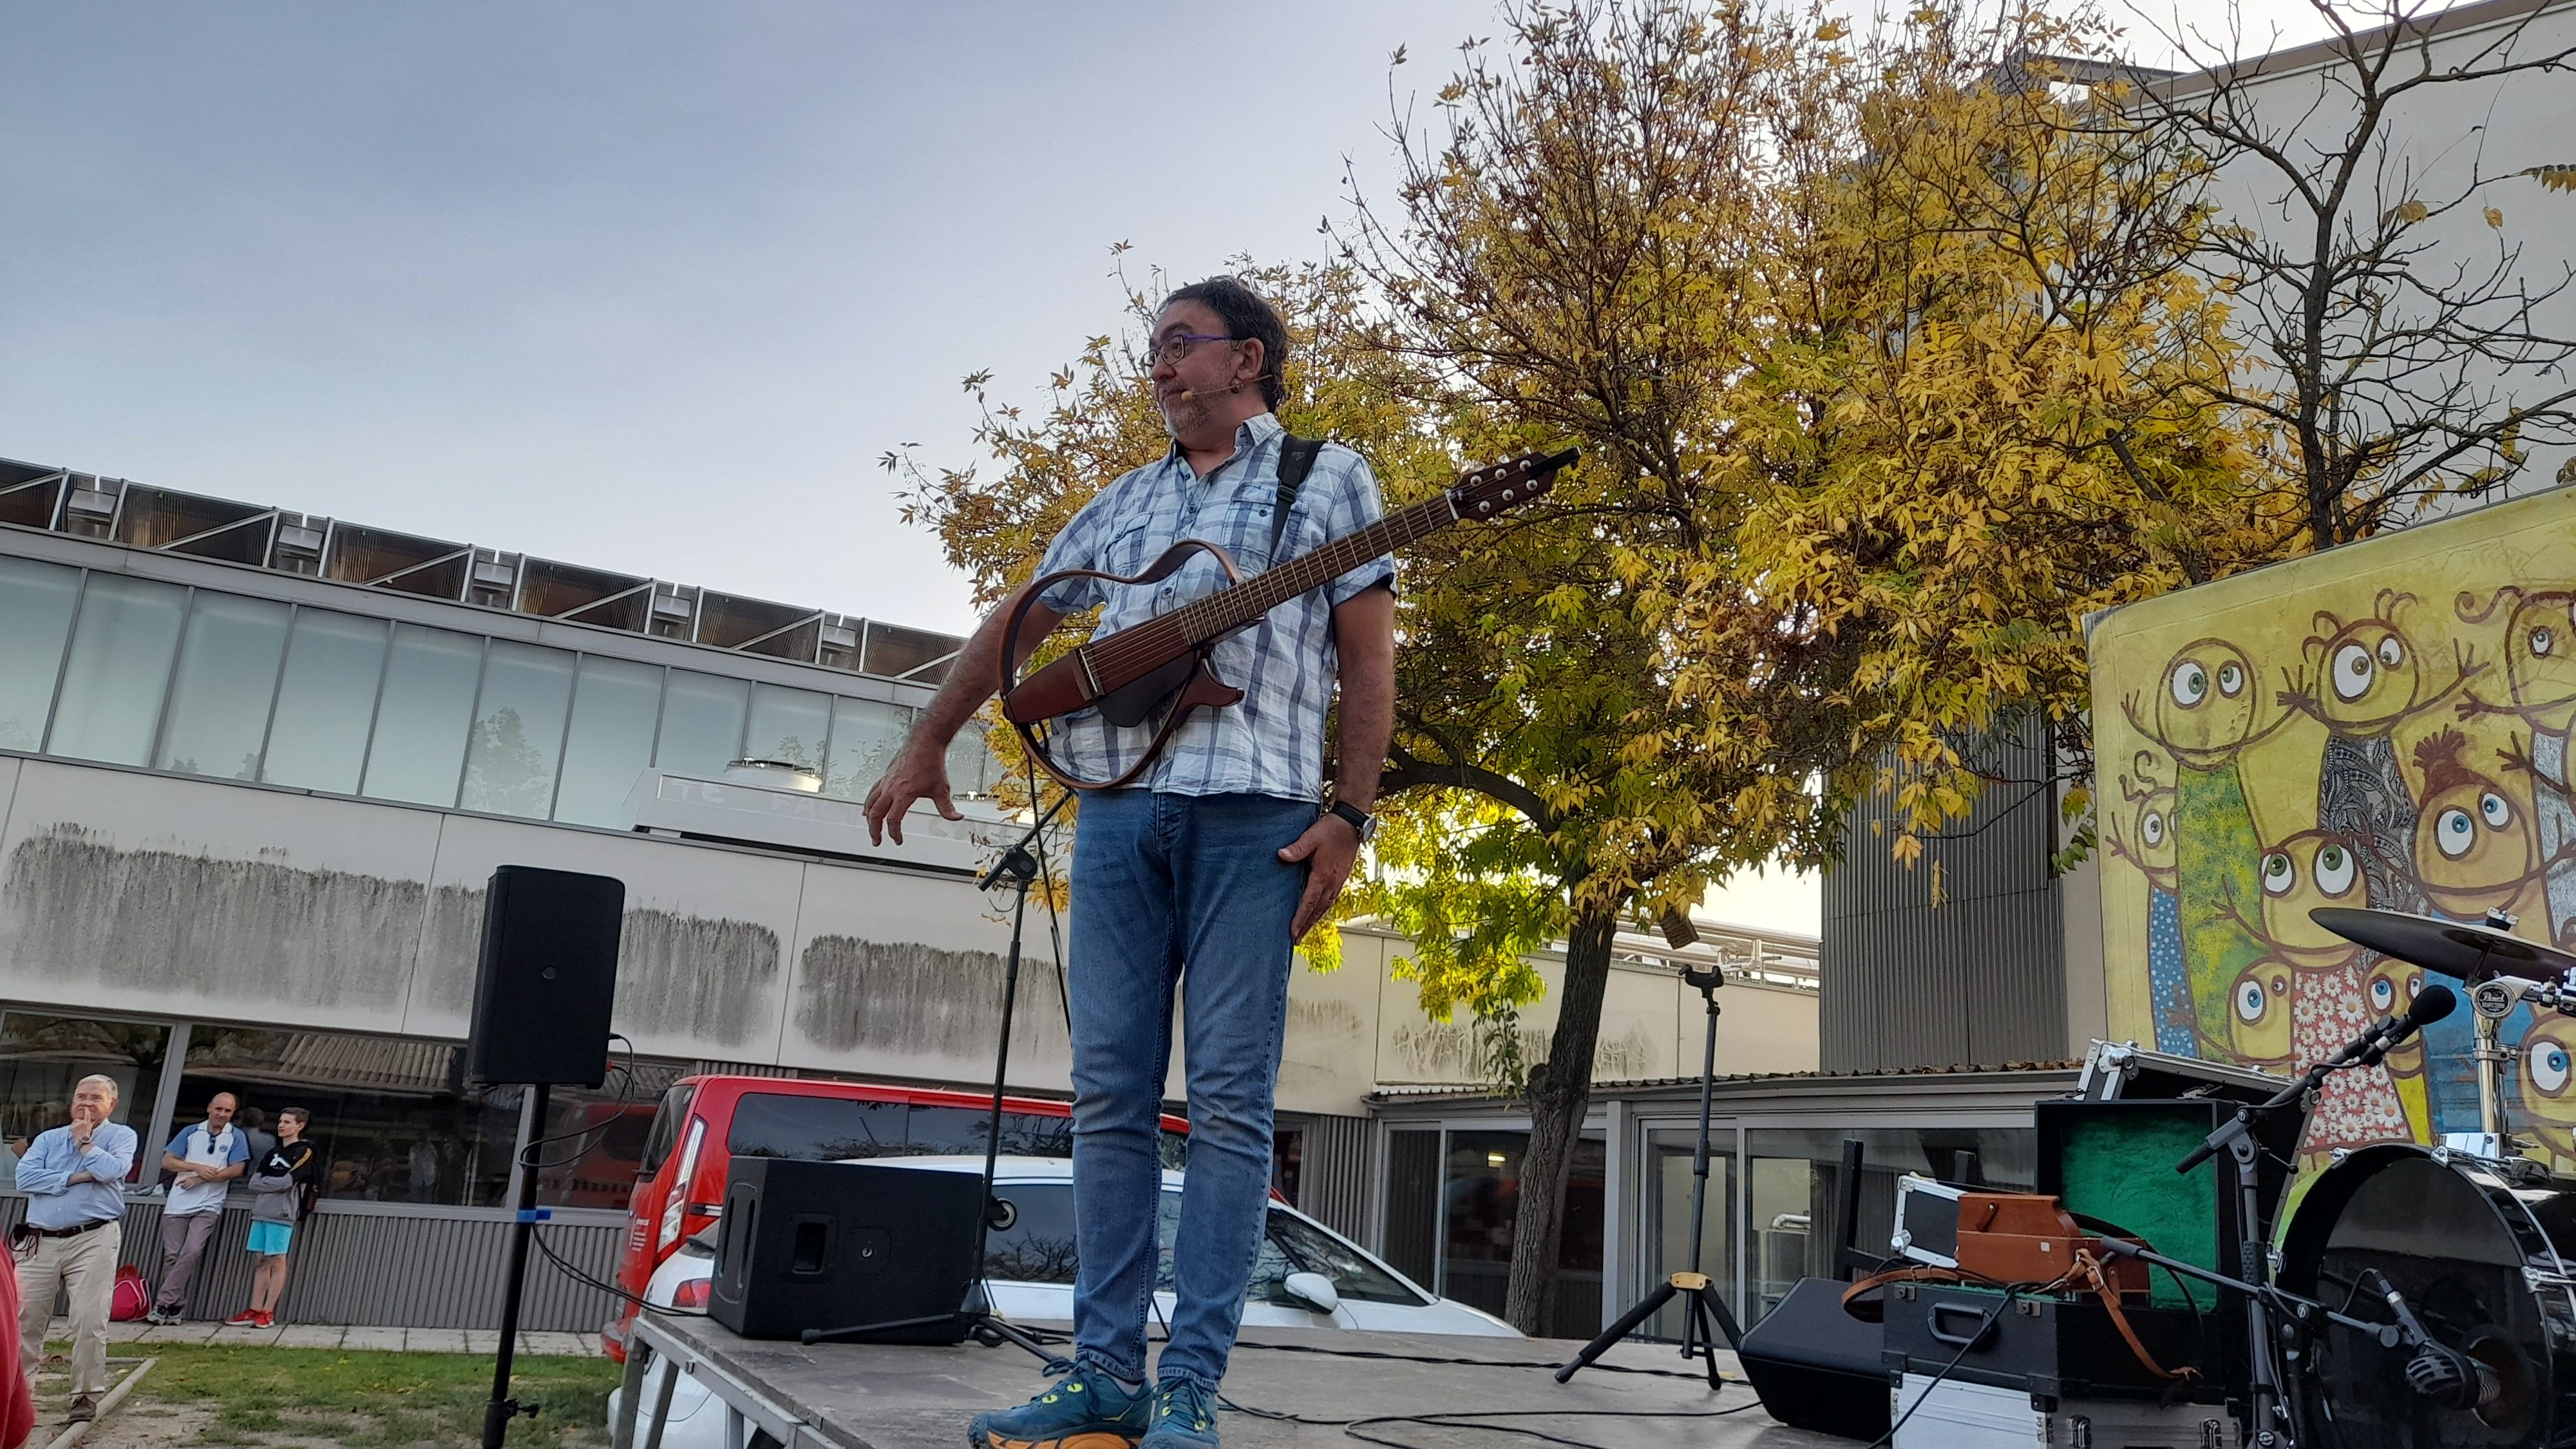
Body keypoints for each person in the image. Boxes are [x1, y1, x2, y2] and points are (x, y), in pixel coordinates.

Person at [867, 276, 1394, 1449]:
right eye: (1153, 350)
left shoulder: (1328, 480)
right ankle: (1102, 1373)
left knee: (1229, 1107)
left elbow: (1368, 667)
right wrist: (928, 736)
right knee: (1107, 1101)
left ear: (1246, 359)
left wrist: (1350, 813)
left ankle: (1191, 1383)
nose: (1157, 366)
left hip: (1254, 819)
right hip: (1118, 818)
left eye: (1178, 345)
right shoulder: (1123, 501)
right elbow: (1023, 622)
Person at [14, 1075, 137, 1426]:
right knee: (25, 1319)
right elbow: (24, 1178)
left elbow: (113, 1170)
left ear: (111, 1104)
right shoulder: (48, 1138)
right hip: (40, 1239)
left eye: (95, 1097)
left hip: (93, 1237)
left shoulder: (122, 1136)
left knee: (89, 1319)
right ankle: (17, 1398)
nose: (85, 1103)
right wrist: (76, 1177)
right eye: (80, 1096)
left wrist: (85, 1142)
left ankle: (85, 1396)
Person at [146, 1092, 247, 1327]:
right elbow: (168, 1161)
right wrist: (195, 1168)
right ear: (209, 1108)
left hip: (209, 1204)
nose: (222, 1114)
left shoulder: (236, 1136)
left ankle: (162, 1302)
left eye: (227, 1111)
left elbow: (237, 1169)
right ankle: (175, 1306)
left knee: (191, 1251)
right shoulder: (191, 1132)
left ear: (233, 1114)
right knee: (173, 1255)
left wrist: (202, 1179)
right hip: (178, 1203)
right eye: (219, 1109)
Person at [231, 1107, 316, 1329]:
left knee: (277, 1260)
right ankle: (254, 1308)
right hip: (261, 1212)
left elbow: (287, 1182)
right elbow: (253, 1182)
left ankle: (268, 1312)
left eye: (288, 1122)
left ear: (300, 1126)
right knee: (260, 1261)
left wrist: (269, 1184)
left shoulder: (304, 1152)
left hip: (282, 1213)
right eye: (280, 1121)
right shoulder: (272, 1152)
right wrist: (271, 1185)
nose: (282, 1126)